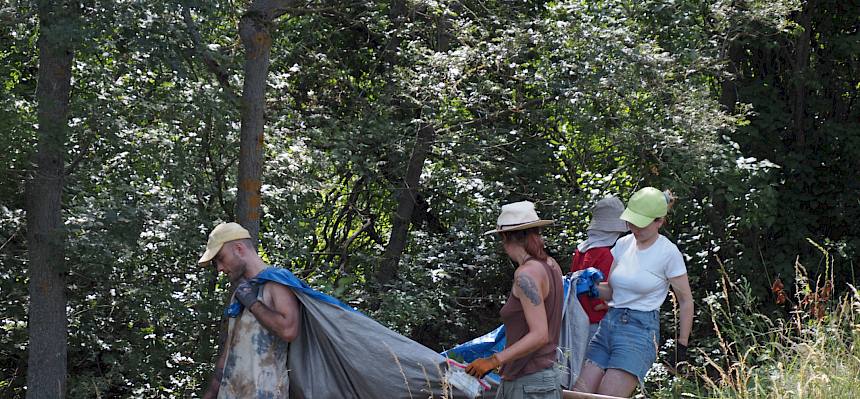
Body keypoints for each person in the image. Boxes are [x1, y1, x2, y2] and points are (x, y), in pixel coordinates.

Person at [573, 187, 694, 397]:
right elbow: (611, 291)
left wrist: (681, 346)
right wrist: (589, 286)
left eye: (641, 223)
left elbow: (685, 301)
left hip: (639, 332)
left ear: (659, 221)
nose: (635, 228)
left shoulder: (668, 252)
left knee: (606, 396)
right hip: (607, 327)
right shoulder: (622, 244)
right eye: (631, 222)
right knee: (577, 394)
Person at [465, 201, 564, 399]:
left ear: (505, 237)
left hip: (529, 384)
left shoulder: (525, 275)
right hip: (538, 380)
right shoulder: (551, 265)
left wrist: (493, 360)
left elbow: (540, 334)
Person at [198, 222, 301, 399]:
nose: (220, 268)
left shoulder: (276, 282)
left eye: (221, 258)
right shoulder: (240, 293)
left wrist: (252, 303)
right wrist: (211, 393)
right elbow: (229, 349)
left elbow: (289, 330)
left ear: (238, 248)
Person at [570, 196, 629, 341]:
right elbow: (600, 296)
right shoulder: (606, 254)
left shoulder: (582, 250)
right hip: (596, 321)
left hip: (576, 317)